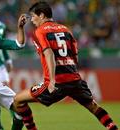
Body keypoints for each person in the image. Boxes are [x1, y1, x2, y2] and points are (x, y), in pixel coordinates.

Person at [11, 1, 119, 130]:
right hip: (74, 79)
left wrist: (51, 81)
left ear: (41, 15)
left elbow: (49, 54)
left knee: (18, 100)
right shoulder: (66, 29)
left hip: (56, 82)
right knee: (93, 107)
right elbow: (75, 55)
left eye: (33, 16)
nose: (32, 21)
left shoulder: (40, 31)